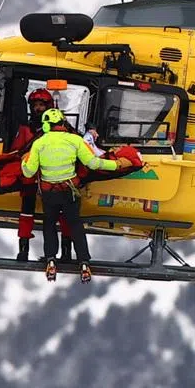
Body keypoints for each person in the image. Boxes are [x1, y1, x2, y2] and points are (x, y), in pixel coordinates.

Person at [21, 107, 132, 282]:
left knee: (49, 224)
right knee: (75, 225)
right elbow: (94, 163)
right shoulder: (75, 140)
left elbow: (28, 172)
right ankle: (84, 262)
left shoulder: (39, 144)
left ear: (47, 125)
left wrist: (24, 162)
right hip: (69, 192)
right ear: (63, 123)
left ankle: (50, 259)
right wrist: (117, 165)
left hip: (50, 194)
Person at [13, 88, 55, 261]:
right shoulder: (25, 128)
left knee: (54, 215)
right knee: (26, 212)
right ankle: (24, 249)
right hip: (31, 177)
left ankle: (57, 252)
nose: (38, 109)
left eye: (41, 105)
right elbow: (17, 149)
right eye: (35, 105)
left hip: (51, 178)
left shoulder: (57, 128)